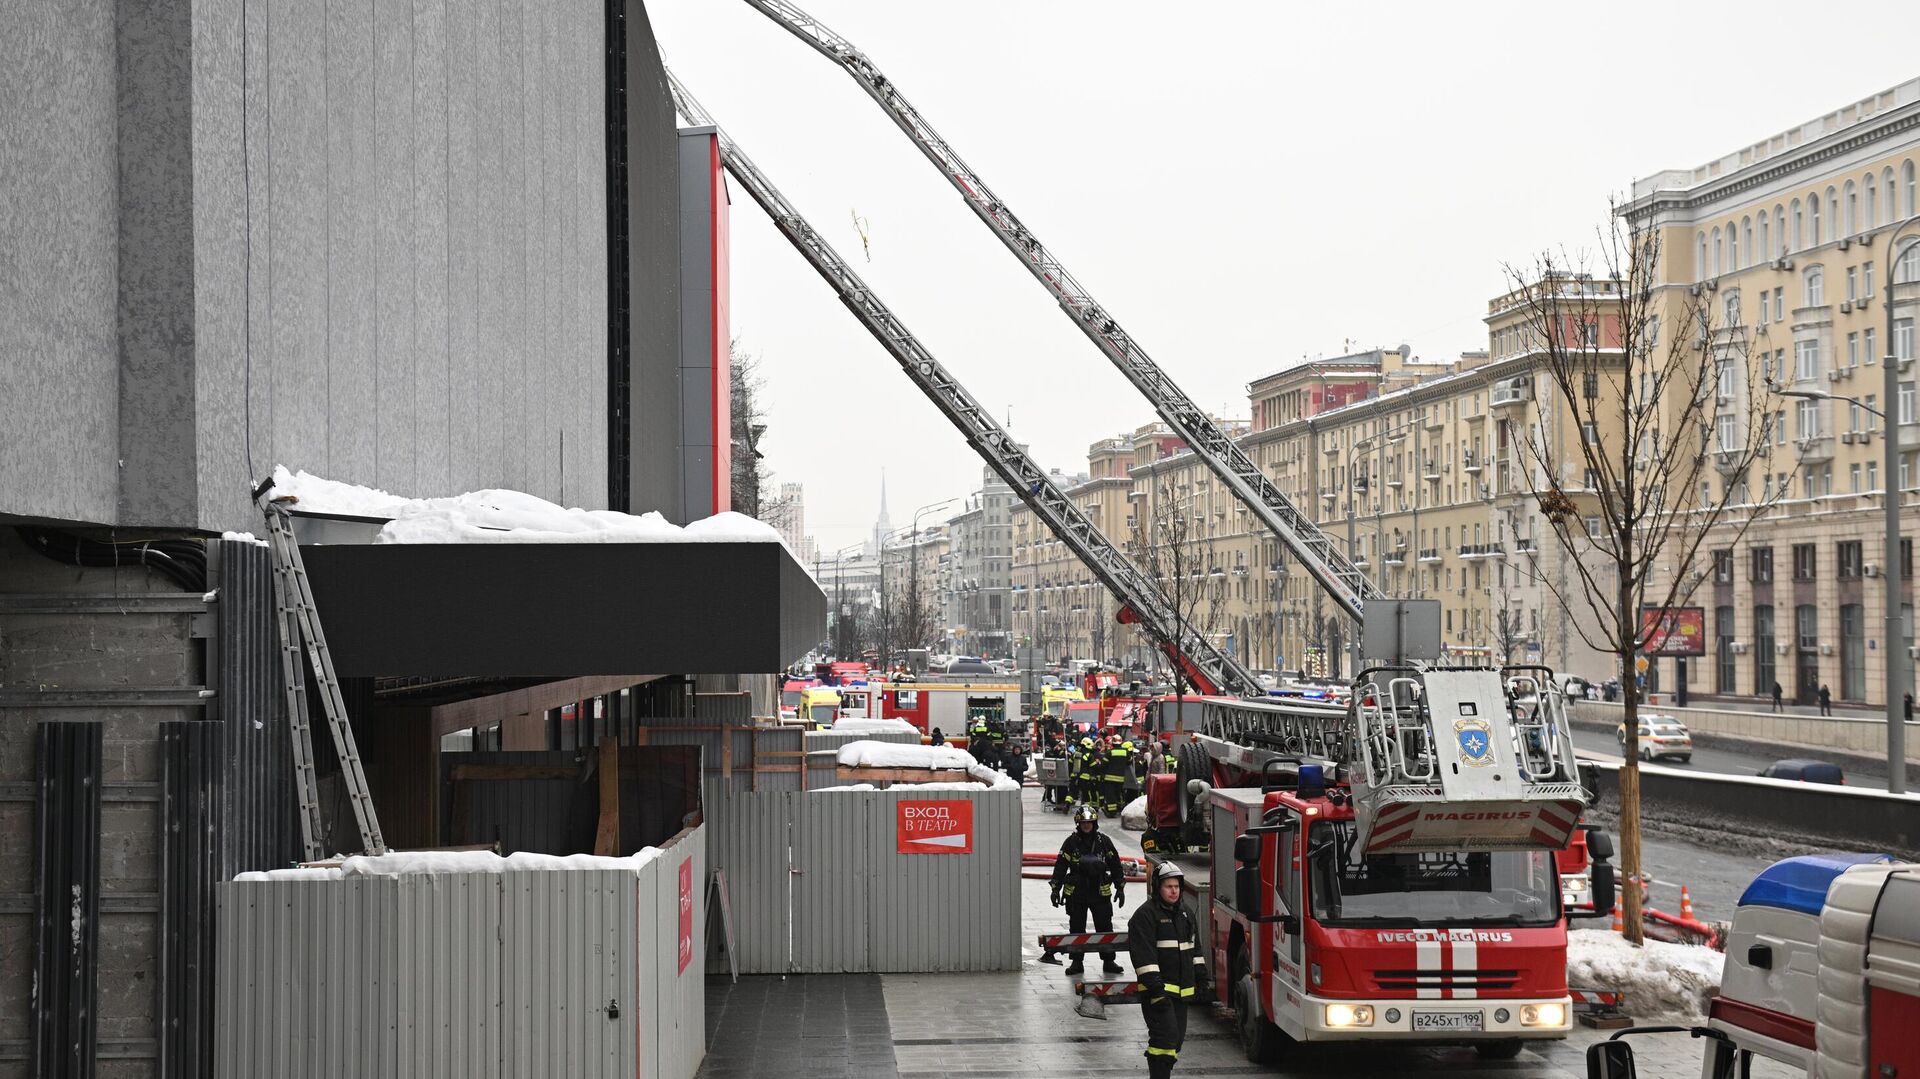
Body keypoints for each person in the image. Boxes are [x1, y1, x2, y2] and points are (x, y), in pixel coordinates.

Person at [1128, 860, 1207, 1078]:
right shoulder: (1145, 916)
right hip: (1159, 995)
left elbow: (1195, 950)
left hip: (1181, 994)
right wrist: (1156, 992)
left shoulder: (1185, 914)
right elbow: (1144, 958)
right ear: (1157, 887)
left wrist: (1201, 979)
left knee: (1175, 1042)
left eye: (1177, 886)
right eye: (1168, 886)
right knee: (1164, 1041)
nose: (1174, 891)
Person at [1046, 804, 1126, 974]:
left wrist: (1120, 886)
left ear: (1095, 823)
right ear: (1078, 824)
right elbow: (1060, 866)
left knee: (1104, 927)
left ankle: (1108, 962)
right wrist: (1055, 888)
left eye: (1089, 822)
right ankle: (1076, 962)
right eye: (1083, 823)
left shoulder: (1104, 842)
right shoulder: (1071, 843)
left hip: (1099, 892)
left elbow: (1116, 864)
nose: (1086, 825)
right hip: (1077, 893)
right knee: (1076, 928)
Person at [1103, 737, 1135, 816]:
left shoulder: (1110, 752)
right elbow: (1130, 762)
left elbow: (1103, 764)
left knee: (1110, 795)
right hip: (1120, 778)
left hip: (1109, 778)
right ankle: (1120, 808)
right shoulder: (1125, 752)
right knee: (1119, 794)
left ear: (1113, 743)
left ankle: (1112, 812)